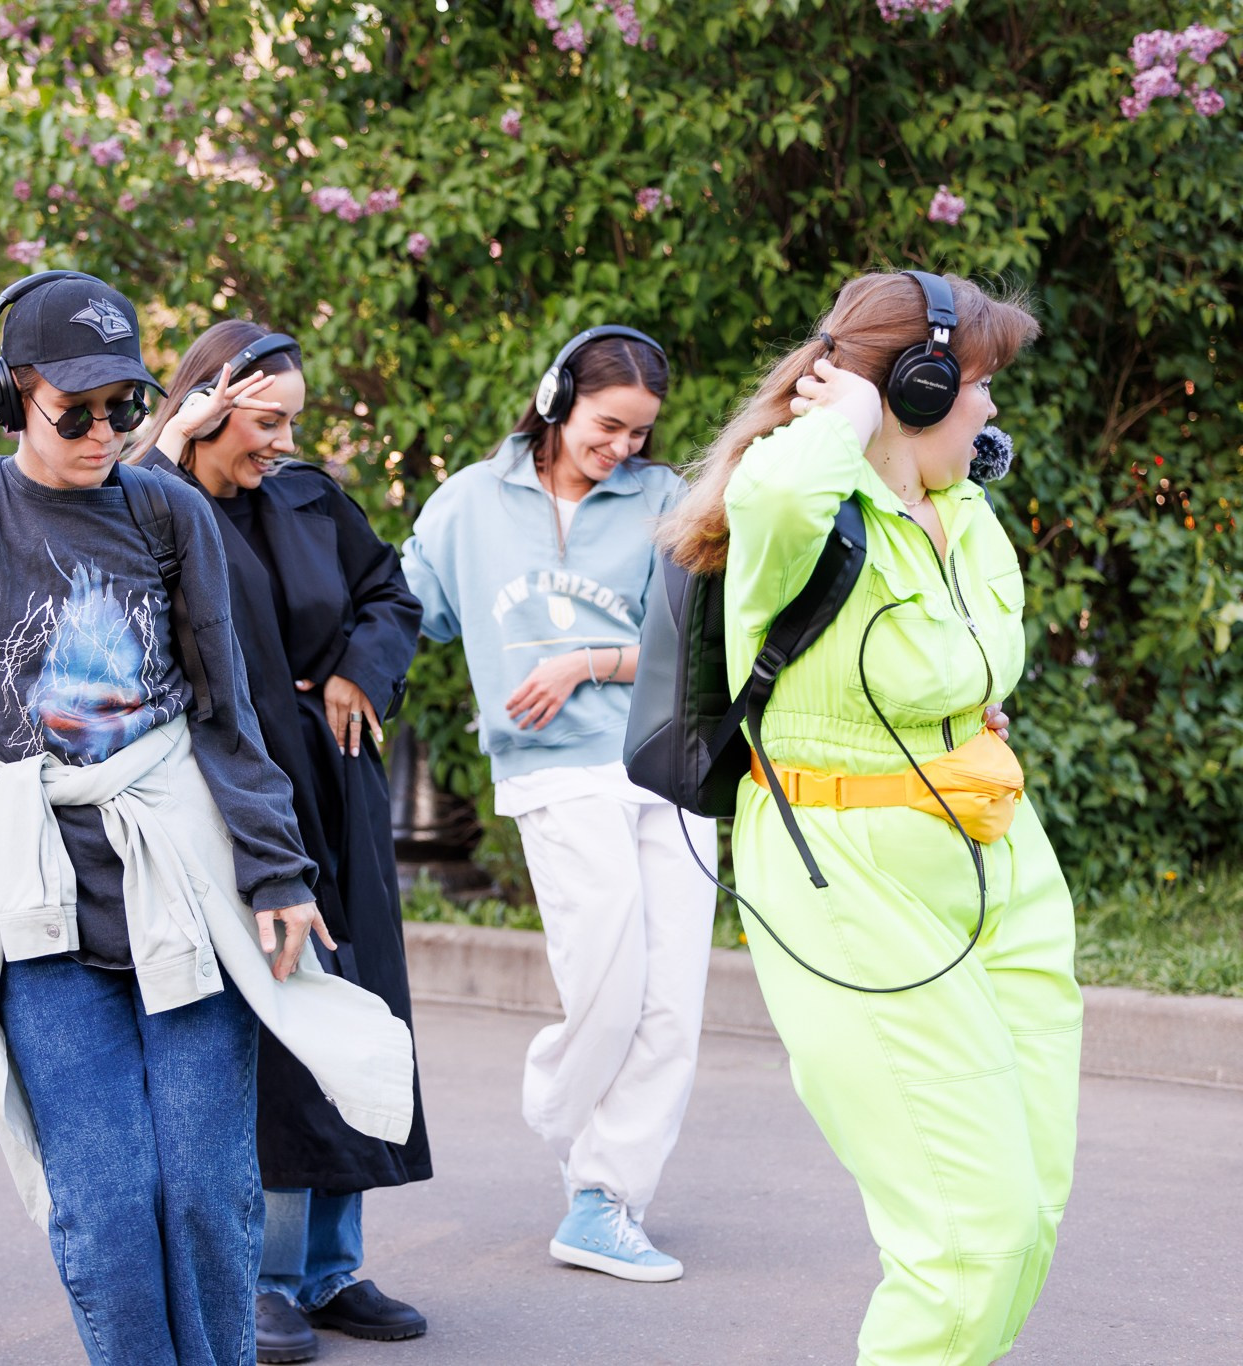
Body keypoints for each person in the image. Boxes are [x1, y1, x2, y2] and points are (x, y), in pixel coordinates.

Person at [0, 270, 413, 1366]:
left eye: (124, 406)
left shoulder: (168, 510)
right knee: (109, 1204)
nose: (102, 431)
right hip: (45, 907)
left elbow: (228, 710)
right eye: (71, 409)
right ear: (8, 397)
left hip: (185, 879)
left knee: (203, 1192)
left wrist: (277, 872)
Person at [655, 270, 1080, 1364]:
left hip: (993, 851)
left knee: (1027, 1206)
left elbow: (979, 662)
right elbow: (773, 498)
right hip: (847, 874)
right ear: (918, 385)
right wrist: (842, 410)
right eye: (973, 382)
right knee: (964, 1234)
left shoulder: (966, 511)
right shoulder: (798, 507)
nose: (988, 407)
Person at [137, 320, 431, 1362]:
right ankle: (254, 1274)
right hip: (225, 797)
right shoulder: (152, 505)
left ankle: (328, 1267)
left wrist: (359, 663)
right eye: (264, 421)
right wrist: (168, 445)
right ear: (206, 404)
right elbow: (113, 571)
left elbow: (388, 593)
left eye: (291, 423)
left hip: (332, 790)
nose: (278, 443)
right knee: (267, 1020)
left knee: (351, 1005)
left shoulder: (308, 500)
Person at [400, 326, 714, 1282]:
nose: (623, 447)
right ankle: (557, 1101)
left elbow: (706, 637)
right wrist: (326, 679)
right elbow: (395, 612)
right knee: (610, 983)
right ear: (555, 398)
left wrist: (587, 659)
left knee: (671, 1004)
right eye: (608, 425)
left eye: (640, 433)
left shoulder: (666, 500)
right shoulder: (468, 506)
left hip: (669, 761)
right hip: (557, 770)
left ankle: (603, 1200)